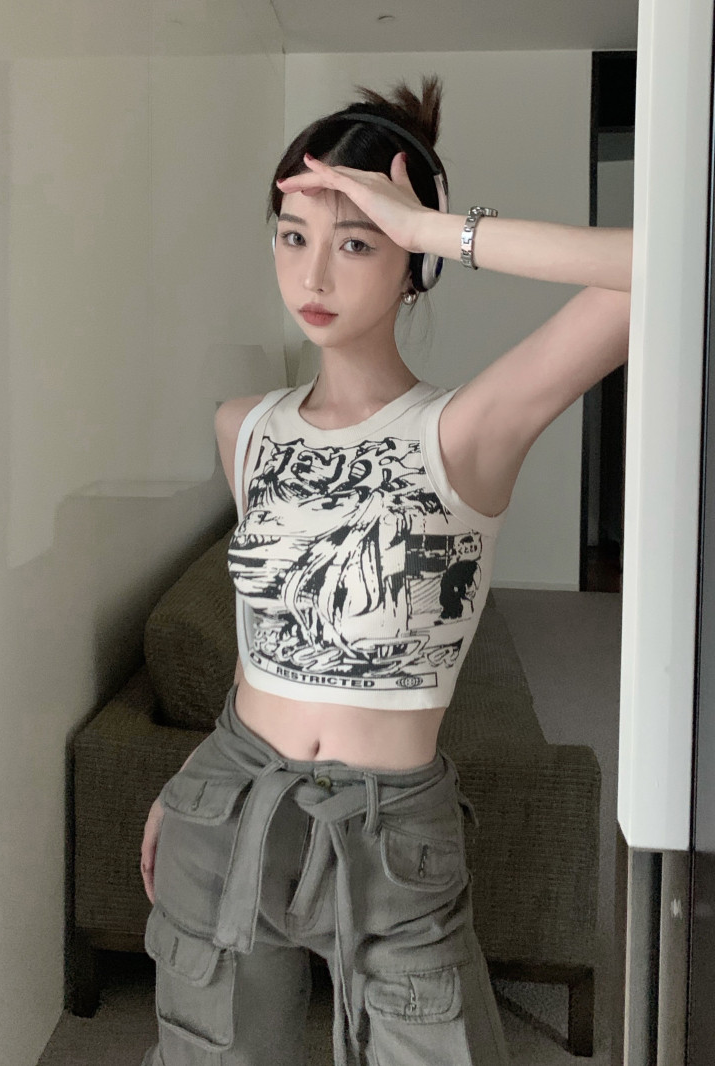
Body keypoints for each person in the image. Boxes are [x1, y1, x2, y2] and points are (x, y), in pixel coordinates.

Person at [139, 73, 632, 1066]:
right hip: (227, 801)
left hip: (391, 828)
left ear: (411, 266)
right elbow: (271, 628)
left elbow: (667, 262)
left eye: (356, 242)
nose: (313, 274)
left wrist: (435, 226)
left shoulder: (464, 430)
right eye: (292, 236)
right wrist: (186, 780)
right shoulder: (245, 428)